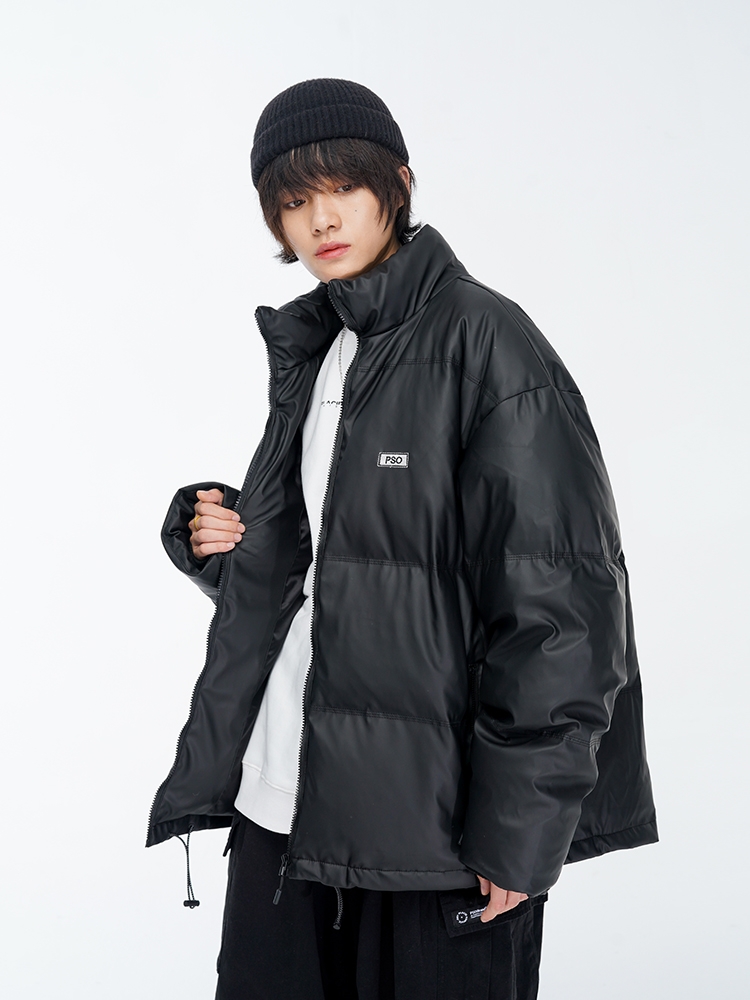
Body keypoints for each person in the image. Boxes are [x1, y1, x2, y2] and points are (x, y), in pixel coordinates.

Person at [148, 78, 658, 999]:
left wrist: (520, 828)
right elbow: (345, 578)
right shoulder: (320, 348)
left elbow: (564, 610)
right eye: (292, 200)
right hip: (280, 806)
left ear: (399, 184)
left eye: (341, 186)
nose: (319, 219)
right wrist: (222, 546)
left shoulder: (488, 344)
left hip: (433, 835)